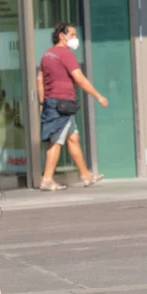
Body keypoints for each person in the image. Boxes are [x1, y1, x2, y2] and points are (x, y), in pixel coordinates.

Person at [37, 22, 108, 191]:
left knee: (72, 138)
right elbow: (79, 78)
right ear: (62, 36)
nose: (75, 38)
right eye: (73, 34)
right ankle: (47, 179)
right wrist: (98, 96)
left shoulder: (47, 55)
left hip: (52, 102)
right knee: (56, 141)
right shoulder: (65, 54)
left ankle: (86, 175)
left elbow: (39, 79)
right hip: (62, 104)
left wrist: (42, 102)